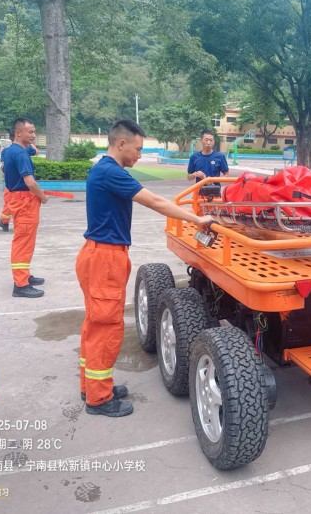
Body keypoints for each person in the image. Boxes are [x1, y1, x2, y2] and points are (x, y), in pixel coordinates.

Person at [77, 120, 214, 418]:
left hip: (100, 254)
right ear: (121, 144)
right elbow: (153, 200)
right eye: (138, 149)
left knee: (96, 323)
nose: (139, 155)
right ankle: (98, 399)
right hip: (105, 258)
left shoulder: (104, 169)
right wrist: (197, 220)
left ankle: (93, 386)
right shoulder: (111, 172)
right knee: (106, 327)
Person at [1, 118, 48, 298]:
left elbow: (4, 170)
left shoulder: (9, 151)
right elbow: (30, 182)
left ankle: (25, 275)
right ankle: (20, 284)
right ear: (18, 133)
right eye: (31, 132)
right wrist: (42, 196)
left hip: (16, 198)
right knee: (23, 243)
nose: (34, 135)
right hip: (25, 201)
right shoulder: (20, 154)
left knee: (25, 241)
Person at [0, 130, 37, 232]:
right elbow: (35, 151)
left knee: (9, 203)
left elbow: (3, 167)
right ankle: (10, 222)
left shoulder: (6, 151)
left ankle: (5, 222)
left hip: (10, 184)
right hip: (21, 186)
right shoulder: (23, 150)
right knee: (16, 205)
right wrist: (32, 141)